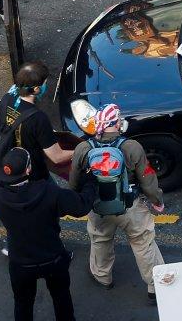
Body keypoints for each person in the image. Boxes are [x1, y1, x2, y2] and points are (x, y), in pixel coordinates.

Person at [0, 145, 95, 321]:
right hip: (52, 258)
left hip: (20, 261)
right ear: (28, 170)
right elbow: (81, 205)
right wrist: (90, 180)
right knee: (61, 297)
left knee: (22, 302)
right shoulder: (48, 192)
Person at [67, 104, 166, 301]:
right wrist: (157, 201)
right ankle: (156, 286)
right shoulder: (131, 147)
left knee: (101, 241)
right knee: (143, 242)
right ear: (116, 122)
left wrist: (77, 199)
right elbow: (147, 177)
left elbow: (74, 181)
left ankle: (103, 277)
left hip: (98, 206)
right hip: (130, 205)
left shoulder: (83, 148)